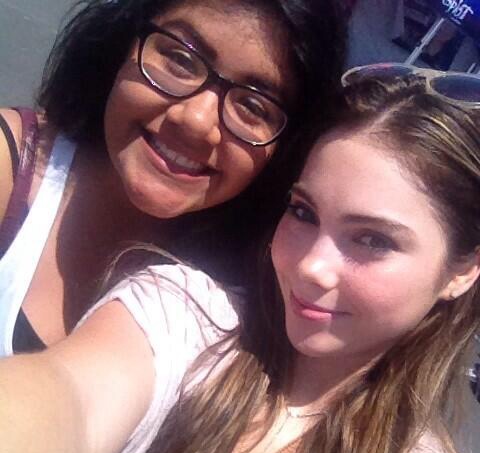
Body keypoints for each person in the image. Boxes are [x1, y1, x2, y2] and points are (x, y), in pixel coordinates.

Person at [2, 73, 480, 453]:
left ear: (463, 270)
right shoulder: (186, 316)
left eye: (373, 240)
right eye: (303, 212)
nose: (311, 266)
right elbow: (68, 405)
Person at [0, 0, 346, 357]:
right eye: (180, 60)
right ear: (122, 42)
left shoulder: (251, 298)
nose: (196, 121)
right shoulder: (12, 166)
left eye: (252, 106)